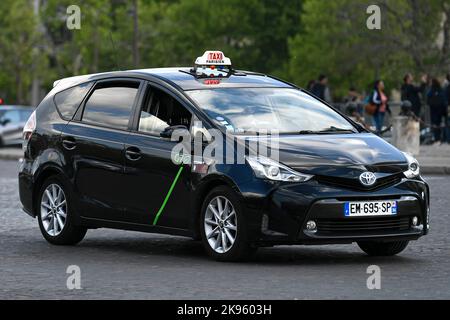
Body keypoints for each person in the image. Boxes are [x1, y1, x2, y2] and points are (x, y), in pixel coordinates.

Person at [427, 78, 448, 145]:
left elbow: (428, 99)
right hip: (441, 110)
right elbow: (444, 100)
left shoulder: (431, 91)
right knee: (443, 125)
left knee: (435, 125)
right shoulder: (441, 89)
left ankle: (437, 139)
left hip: (434, 111)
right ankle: (444, 139)